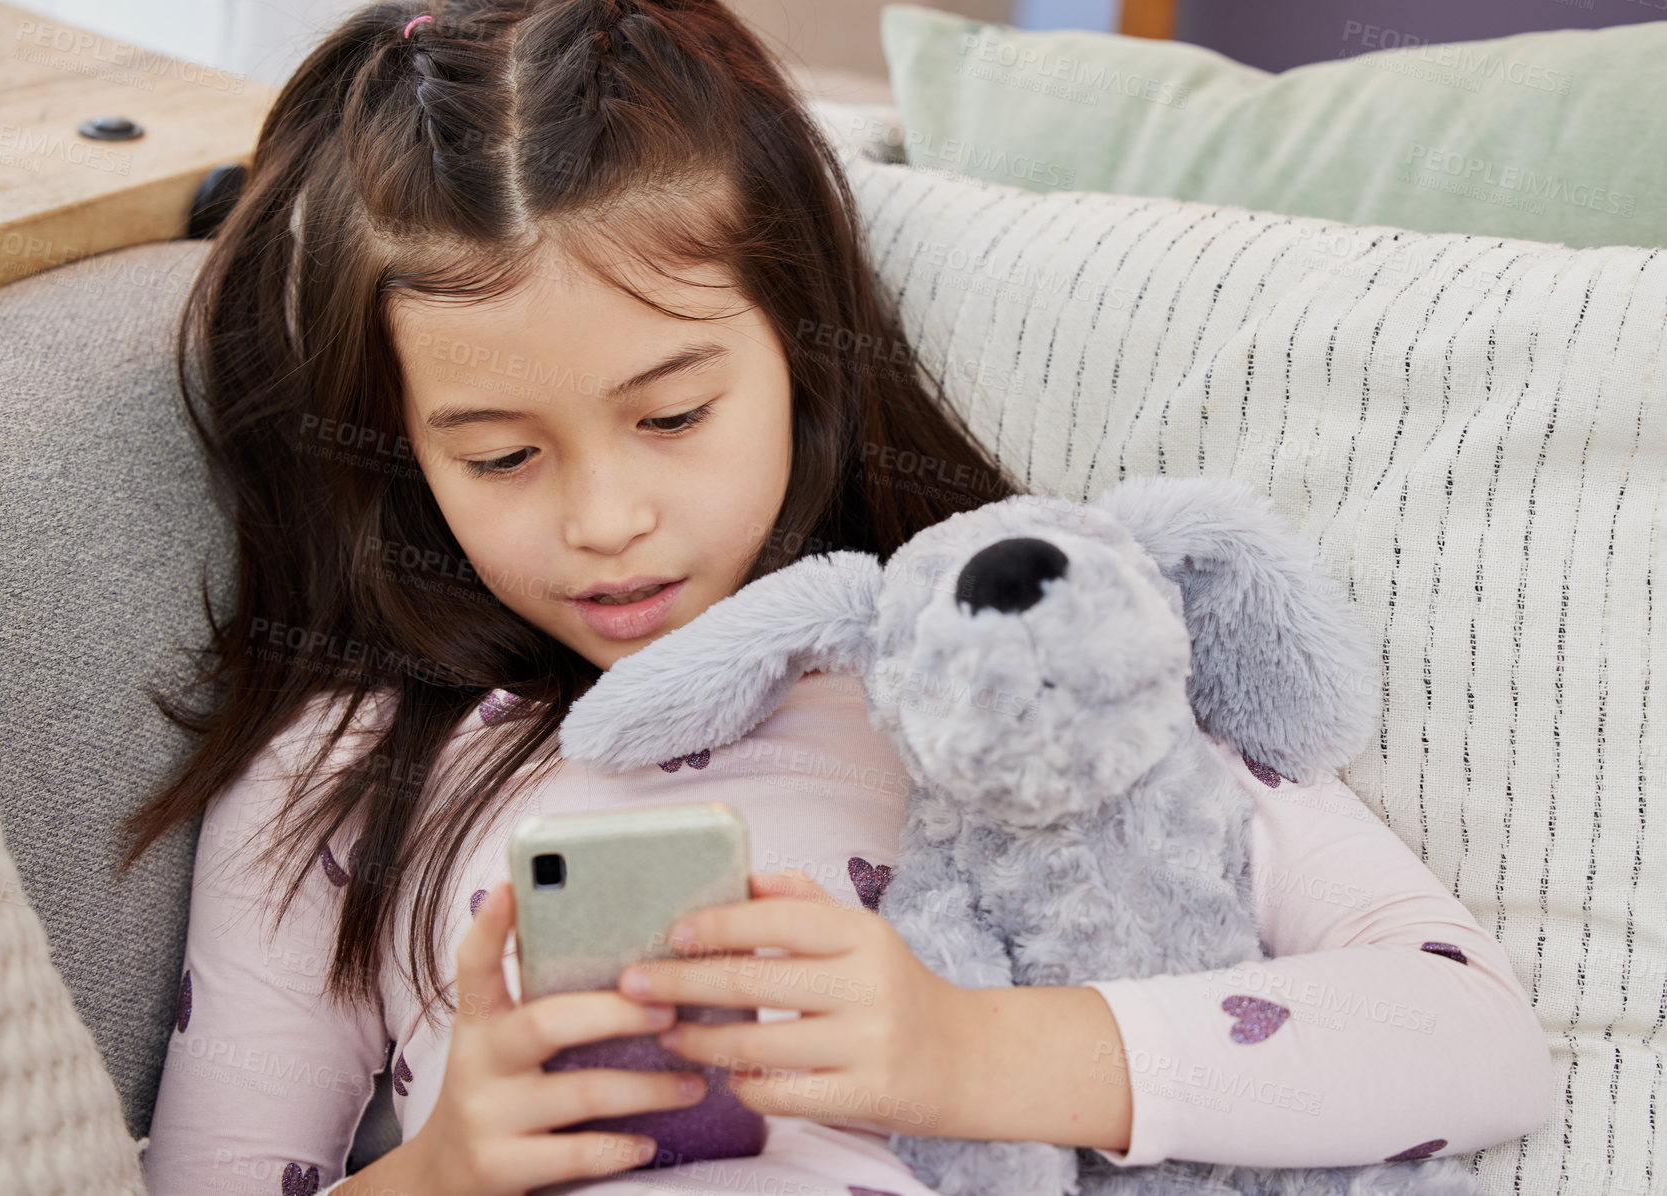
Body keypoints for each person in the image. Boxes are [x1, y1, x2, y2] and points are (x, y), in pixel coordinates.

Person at [122, 2, 1557, 1193]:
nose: (604, 520)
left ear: (803, 357)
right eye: (497, 454)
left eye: (673, 416)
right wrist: (440, 1168)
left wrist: (965, 1058)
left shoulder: (991, 661)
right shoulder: (345, 772)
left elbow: (1469, 1033)